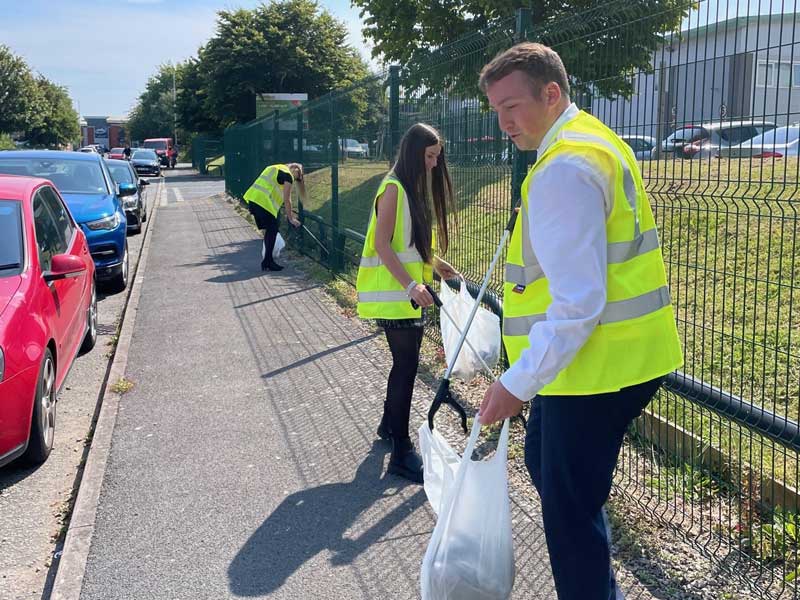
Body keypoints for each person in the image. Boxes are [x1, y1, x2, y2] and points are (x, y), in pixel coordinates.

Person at [477, 43, 683, 600]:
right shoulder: (591, 139)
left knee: (568, 517)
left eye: (512, 106)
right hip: (624, 359)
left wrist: (514, 386)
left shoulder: (564, 168)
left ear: (552, 93)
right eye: (495, 110)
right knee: (552, 472)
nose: (504, 123)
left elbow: (577, 304)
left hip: (595, 372)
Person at [356, 123, 459, 484]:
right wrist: (413, 284)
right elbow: (383, 244)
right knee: (406, 367)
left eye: (437, 157)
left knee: (404, 365)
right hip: (398, 296)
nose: (434, 164)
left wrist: (435, 265)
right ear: (415, 153)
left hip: (406, 296)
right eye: (430, 157)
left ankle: (389, 425)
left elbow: (410, 244)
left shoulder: (408, 189)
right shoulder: (394, 189)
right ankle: (401, 448)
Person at [243, 163, 303, 271]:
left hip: (254, 199)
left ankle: (267, 261)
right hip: (263, 203)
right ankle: (268, 261)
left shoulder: (275, 167)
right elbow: (287, 199)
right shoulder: (288, 175)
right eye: (297, 177)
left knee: (271, 230)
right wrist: (291, 218)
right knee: (272, 230)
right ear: (295, 170)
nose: (294, 180)